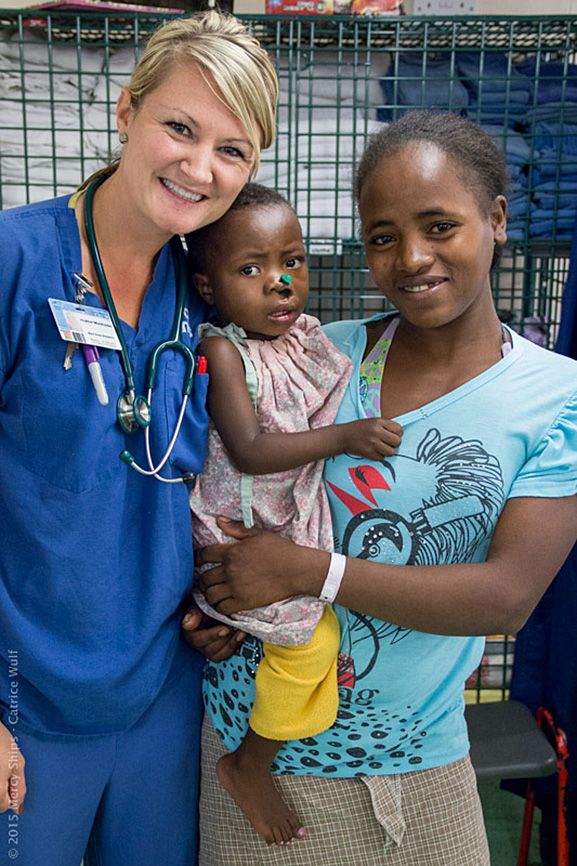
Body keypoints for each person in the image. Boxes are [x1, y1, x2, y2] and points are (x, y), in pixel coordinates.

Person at [187, 111, 577, 866]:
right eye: (382, 237)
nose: (411, 258)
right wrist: (211, 604)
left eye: (439, 226)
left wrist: (308, 573)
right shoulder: (315, 356)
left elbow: (506, 598)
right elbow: (224, 490)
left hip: (425, 769)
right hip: (259, 766)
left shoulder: (557, 397)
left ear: (496, 220)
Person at [0, 11, 277, 866]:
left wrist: (226, 598)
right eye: (180, 128)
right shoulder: (16, 260)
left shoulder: (205, 294)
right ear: (126, 113)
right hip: (27, 699)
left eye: (232, 150)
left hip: (163, 683)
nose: (199, 168)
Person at [185, 182, 402, 847]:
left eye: (293, 261)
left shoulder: (303, 339)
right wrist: (347, 436)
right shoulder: (224, 351)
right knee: (311, 645)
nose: (280, 282)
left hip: (284, 523)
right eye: (250, 269)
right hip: (241, 528)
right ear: (208, 286)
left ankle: (268, 719)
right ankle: (249, 764)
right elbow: (249, 451)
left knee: (312, 639)